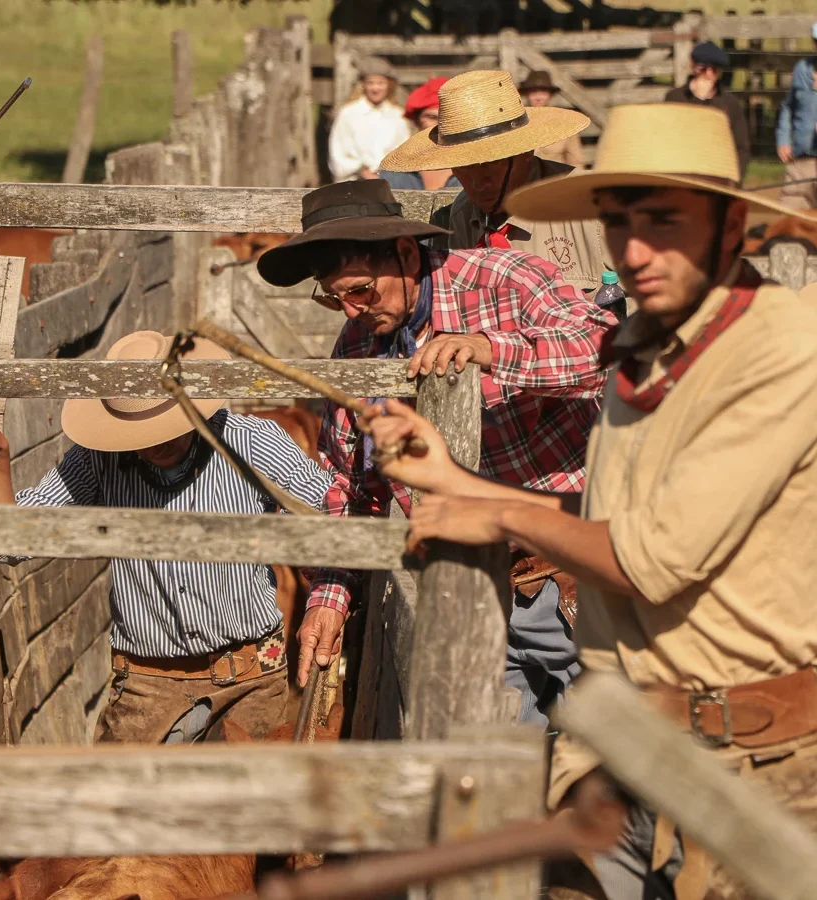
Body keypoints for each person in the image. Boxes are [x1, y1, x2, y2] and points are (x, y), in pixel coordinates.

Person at [363, 103, 817, 899]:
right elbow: (614, 524)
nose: (635, 252)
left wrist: (498, 513)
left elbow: (650, 560)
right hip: (632, 756)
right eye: (617, 223)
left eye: (665, 222)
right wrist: (454, 479)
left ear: (733, 225)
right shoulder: (643, 352)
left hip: (759, 773)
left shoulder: (784, 351)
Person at [256, 179, 615, 727]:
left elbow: (603, 350)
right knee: (486, 770)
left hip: (570, 565)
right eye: (334, 298)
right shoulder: (357, 346)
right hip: (460, 590)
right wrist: (329, 593)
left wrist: (492, 350)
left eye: (362, 291)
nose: (351, 312)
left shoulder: (506, 278)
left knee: (611, 763)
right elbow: (352, 482)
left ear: (405, 254)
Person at [0, 330, 330, 745]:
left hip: (250, 671)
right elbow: (8, 542)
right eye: (140, 434)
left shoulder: (252, 442)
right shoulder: (99, 458)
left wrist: (328, 601)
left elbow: (333, 519)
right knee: (119, 801)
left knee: (244, 802)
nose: (155, 443)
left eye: (165, 426)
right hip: (147, 681)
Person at [381, 69, 611, 294]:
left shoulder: (594, 208)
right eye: (462, 166)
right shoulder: (457, 221)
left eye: (491, 164)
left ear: (526, 153)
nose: (478, 183)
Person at [665, 41, 751, 181]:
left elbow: (741, 147)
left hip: (718, 175)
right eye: (703, 68)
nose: (709, 74)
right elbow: (667, 139)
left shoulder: (730, 103)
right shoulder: (675, 97)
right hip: (682, 173)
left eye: (715, 69)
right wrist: (699, 99)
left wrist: (735, 180)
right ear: (693, 65)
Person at [328, 57, 411, 183]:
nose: (375, 88)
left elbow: (405, 150)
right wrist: (361, 170)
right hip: (355, 182)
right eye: (371, 83)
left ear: (388, 85)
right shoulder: (349, 114)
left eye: (380, 83)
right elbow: (338, 151)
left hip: (390, 182)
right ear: (363, 85)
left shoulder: (397, 115)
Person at [381, 77, 461, 191]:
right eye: (432, 117)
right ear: (417, 121)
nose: (440, 124)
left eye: (447, 117)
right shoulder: (395, 168)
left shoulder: (476, 168)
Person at [775, 24, 817, 210]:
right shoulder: (802, 69)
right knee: (791, 219)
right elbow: (788, 107)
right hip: (800, 162)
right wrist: (783, 139)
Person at [519, 70, 585, 169]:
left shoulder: (565, 123)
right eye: (533, 92)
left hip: (555, 182)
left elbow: (576, 162)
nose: (538, 97)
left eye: (543, 92)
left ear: (550, 94)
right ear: (527, 94)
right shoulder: (516, 124)